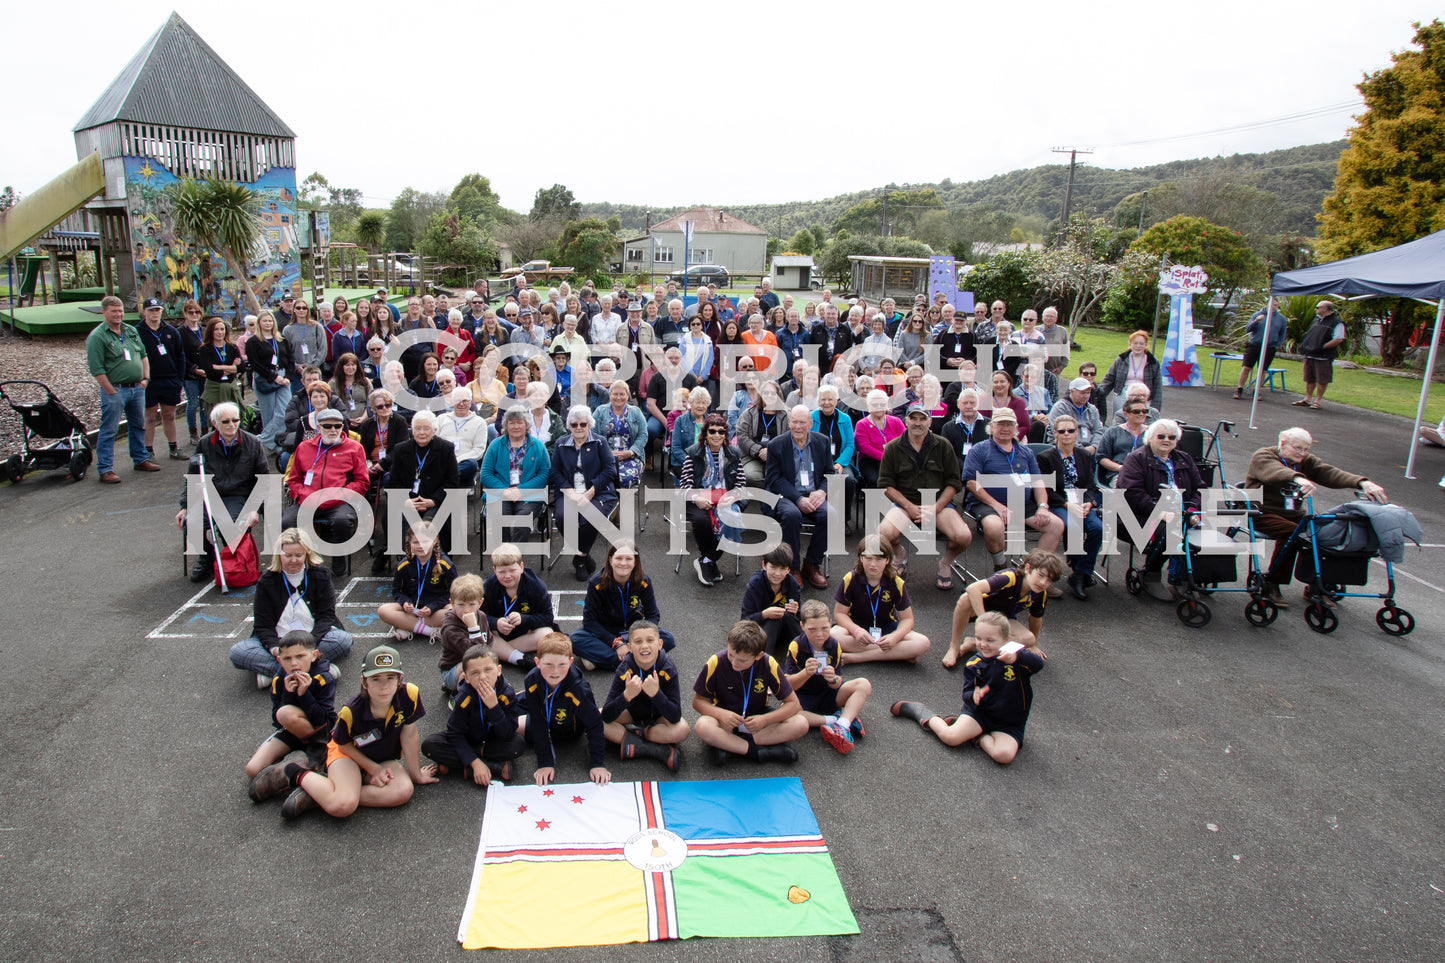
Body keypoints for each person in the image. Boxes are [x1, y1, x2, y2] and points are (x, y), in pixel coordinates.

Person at [249, 645, 438, 819]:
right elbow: (343, 745)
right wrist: (374, 769)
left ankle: (320, 794)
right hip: (347, 755)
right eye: (376, 679)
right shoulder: (351, 711)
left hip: (382, 756)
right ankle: (295, 772)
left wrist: (416, 775)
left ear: (400, 680)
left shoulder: (409, 694)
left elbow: (409, 733)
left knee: (403, 792)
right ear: (364, 682)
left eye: (391, 678)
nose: (384, 686)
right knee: (343, 806)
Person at [1245, 427, 1388, 608]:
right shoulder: (1264, 456)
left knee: (1323, 533)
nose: (1303, 453)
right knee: (1294, 533)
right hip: (1259, 512)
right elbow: (1275, 471)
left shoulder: (1305, 461)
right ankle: (1272, 582)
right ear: (1282, 444)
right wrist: (1299, 479)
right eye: (1298, 448)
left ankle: (1317, 584)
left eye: (1306, 449)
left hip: (1293, 514)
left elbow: (1328, 472)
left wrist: (1362, 482)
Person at [892, 611, 1044, 765]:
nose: (983, 644)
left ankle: (979, 737)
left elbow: (1038, 664)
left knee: (1003, 755)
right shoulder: (974, 663)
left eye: (990, 640)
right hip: (980, 714)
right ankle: (923, 713)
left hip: (1009, 722)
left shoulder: (1017, 658)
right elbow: (967, 694)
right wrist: (974, 696)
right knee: (950, 737)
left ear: (1007, 640)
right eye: (978, 638)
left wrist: (1018, 657)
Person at [228, 528, 354, 685]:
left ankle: (278, 674)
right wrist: (276, 650)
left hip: (312, 638)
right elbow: (263, 625)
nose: (293, 560)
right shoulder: (267, 580)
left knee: (342, 640)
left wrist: (309, 645)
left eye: (298, 555)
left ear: (307, 554)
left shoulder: (320, 574)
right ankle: (318, 669)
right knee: (238, 652)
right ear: (279, 555)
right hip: (280, 642)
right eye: (288, 556)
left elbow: (326, 617)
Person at [878, 404, 971, 589]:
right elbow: (886, 486)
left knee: (964, 536)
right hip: (904, 505)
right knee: (883, 535)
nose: (918, 423)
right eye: (913, 418)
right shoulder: (893, 447)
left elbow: (954, 483)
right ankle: (899, 554)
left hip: (939, 505)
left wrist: (935, 508)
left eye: (922, 419)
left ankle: (945, 563)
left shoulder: (943, 445)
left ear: (930, 421)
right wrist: (909, 507)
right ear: (906, 421)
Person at [174, 400, 269, 581]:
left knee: (233, 527)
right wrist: (185, 506)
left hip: (238, 495)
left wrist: (254, 509)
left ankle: (233, 558)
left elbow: (263, 480)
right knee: (190, 523)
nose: (232, 425)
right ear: (215, 424)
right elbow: (193, 477)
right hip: (210, 496)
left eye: (235, 420)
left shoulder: (253, 443)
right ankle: (207, 555)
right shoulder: (204, 443)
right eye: (226, 421)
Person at [693, 619, 807, 767]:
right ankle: (757, 752)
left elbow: (793, 704)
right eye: (731, 655)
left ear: (758, 656)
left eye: (742, 661)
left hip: (757, 718)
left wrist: (765, 720)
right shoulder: (716, 661)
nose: (734, 663)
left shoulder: (768, 663)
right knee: (702, 726)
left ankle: (729, 746)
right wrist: (722, 714)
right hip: (725, 720)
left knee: (801, 723)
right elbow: (697, 702)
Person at [962, 408, 1065, 571]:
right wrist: (997, 506)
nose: (1005, 428)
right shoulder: (979, 450)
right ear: (992, 426)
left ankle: (1033, 571)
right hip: (988, 504)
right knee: (994, 527)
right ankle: (1001, 567)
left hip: (1021, 504)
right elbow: (971, 483)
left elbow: (1038, 483)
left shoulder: (1026, 452)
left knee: (1056, 525)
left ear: (1016, 427)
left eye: (1009, 424)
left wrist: (1043, 507)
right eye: (1001, 424)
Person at [422, 643, 527, 787]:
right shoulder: (465, 697)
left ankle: (459, 766)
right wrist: (475, 763)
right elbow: (454, 733)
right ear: (466, 677)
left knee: (517, 745)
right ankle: (491, 766)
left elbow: (507, 733)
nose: (482, 677)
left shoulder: (506, 694)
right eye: (475, 673)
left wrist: (494, 708)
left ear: (499, 670)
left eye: (488, 670)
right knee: (429, 745)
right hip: (469, 739)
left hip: (494, 742)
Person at [1117, 419, 1207, 586]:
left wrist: (1192, 510)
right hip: (1139, 514)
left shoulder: (1184, 459)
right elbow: (1132, 494)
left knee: (1202, 533)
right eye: (1161, 436)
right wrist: (1160, 512)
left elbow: (1200, 489)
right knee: (1171, 530)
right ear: (1150, 437)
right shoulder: (1136, 459)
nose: (1167, 440)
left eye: (1172, 437)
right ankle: (1151, 573)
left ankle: (1184, 575)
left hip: (1182, 513)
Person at [281, 407, 370, 574]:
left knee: (342, 521)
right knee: (287, 522)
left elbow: (362, 481)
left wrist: (339, 495)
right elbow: (293, 480)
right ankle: (298, 559)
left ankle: (338, 557)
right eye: (327, 426)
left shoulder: (354, 448)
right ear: (319, 427)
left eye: (337, 426)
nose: (333, 430)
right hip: (308, 499)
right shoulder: (303, 447)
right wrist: (304, 495)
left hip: (338, 501)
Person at [944, 548, 1064, 669]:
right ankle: (954, 647)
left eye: (1049, 580)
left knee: (1029, 640)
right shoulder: (1010, 577)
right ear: (1028, 569)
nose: (1043, 583)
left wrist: (1033, 646)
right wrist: (983, 619)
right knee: (965, 598)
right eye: (1041, 575)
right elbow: (973, 589)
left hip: (1002, 618)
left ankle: (974, 643)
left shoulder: (1040, 594)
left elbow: (1036, 619)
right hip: (978, 610)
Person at [242, 629, 337, 780]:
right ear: (279, 660)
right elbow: (276, 720)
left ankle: (317, 748)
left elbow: (323, 719)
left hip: (318, 731)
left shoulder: (322, 678)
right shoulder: (279, 680)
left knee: (285, 713)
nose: (294, 663)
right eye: (287, 658)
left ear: (314, 656)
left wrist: (304, 694)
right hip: (291, 730)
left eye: (300, 656)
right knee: (252, 770)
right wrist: (288, 693)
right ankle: (293, 760)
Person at [783, 599, 872, 755]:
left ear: (831, 624)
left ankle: (843, 725)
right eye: (812, 629)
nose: (819, 634)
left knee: (863, 684)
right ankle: (835, 720)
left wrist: (832, 679)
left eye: (825, 628)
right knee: (786, 711)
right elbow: (787, 684)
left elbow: (837, 683)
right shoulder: (796, 646)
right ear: (802, 626)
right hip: (804, 696)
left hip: (828, 693)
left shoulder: (834, 645)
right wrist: (805, 673)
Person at [572, 539, 676, 671]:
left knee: (668, 639)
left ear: (635, 562)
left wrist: (638, 637)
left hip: (633, 631)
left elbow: (652, 614)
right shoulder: (597, 583)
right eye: (619, 558)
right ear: (610, 560)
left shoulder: (643, 581)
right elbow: (589, 621)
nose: (623, 563)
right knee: (575, 640)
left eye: (628, 559)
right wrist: (616, 643)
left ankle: (603, 659)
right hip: (606, 632)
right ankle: (638, 659)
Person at [523, 632, 611, 786]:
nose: (555, 671)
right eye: (548, 664)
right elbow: (537, 720)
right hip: (545, 717)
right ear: (537, 662)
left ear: (571, 662)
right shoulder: (531, 680)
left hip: (568, 731)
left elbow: (594, 724)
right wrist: (545, 762)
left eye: (561, 665)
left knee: (595, 715)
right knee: (511, 721)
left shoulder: (578, 690)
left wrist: (597, 764)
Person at [601, 620, 688, 772]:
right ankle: (653, 747)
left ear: (660, 644)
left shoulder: (668, 669)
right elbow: (607, 715)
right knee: (596, 717)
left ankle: (637, 737)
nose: (645, 646)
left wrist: (656, 694)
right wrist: (626, 696)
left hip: (659, 717)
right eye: (638, 641)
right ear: (629, 647)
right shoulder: (624, 669)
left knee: (683, 730)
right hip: (632, 714)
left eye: (650, 640)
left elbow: (674, 716)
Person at [830, 534, 931, 664]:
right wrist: (857, 631)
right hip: (857, 627)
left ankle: (857, 657)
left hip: (887, 627)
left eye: (879, 559)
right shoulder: (850, 579)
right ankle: (897, 654)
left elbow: (907, 619)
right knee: (833, 635)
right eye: (868, 558)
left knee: (923, 643)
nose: (873, 564)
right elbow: (839, 614)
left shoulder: (896, 582)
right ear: (861, 558)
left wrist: (895, 637)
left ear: (887, 560)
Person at [87, 295, 156, 482]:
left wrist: (145, 378)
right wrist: (110, 390)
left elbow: (143, 354)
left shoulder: (130, 330)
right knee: (109, 429)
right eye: (114, 311)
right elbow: (96, 368)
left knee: (138, 425)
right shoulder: (97, 336)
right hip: (116, 390)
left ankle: (140, 458)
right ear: (104, 312)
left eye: (120, 311)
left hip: (137, 388)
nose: (118, 315)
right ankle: (105, 469)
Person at [1036, 413, 1104, 600]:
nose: (1067, 434)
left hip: (1082, 501)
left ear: (1076, 434)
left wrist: (1089, 502)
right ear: (1055, 433)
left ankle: (1081, 573)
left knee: (1097, 528)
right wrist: (1067, 505)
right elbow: (1046, 489)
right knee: (1071, 525)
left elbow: (1091, 484)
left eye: (1071, 430)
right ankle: (1077, 568)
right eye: (1062, 431)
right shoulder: (1045, 458)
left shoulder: (1084, 455)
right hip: (1058, 502)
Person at [765, 405, 833, 589]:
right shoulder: (776, 445)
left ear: (810, 424)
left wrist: (822, 491)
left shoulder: (823, 442)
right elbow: (774, 479)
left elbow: (829, 473)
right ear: (789, 423)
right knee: (792, 515)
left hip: (813, 493)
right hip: (785, 495)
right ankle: (793, 567)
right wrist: (797, 499)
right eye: (794, 421)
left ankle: (811, 564)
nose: (797, 426)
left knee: (830, 514)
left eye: (802, 422)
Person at [551, 405, 619, 580]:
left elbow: (610, 470)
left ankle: (580, 559)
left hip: (598, 492)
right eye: (574, 425)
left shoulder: (600, 442)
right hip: (569, 492)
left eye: (583, 424)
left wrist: (590, 493)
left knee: (589, 517)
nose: (579, 428)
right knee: (562, 517)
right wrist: (571, 493)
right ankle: (585, 555)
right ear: (569, 426)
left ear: (590, 424)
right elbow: (555, 473)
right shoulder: (560, 444)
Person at [678, 412, 746, 585]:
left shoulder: (734, 454)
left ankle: (706, 560)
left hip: (726, 500)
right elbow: (685, 485)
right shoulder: (694, 453)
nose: (717, 435)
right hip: (699, 500)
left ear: (725, 435)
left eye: (721, 432)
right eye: (712, 431)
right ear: (705, 434)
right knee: (703, 521)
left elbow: (741, 485)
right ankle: (710, 561)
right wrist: (697, 499)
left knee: (730, 519)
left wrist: (731, 499)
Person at [385, 410, 461, 552]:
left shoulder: (446, 448)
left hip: (435, 500)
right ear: (412, 431)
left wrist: (434, 501)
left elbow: (452, 482)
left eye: (426, 429)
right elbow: (393, 482)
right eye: (417, 428)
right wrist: (405, 501)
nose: (421, 432)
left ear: (434, 431)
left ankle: (435, 561)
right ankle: (407, 560)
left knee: (429, 523)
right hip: (409, 500)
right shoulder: (400, 449)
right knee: (402, 520)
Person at [482, 542, 558, 666]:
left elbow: (547, 618)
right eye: (501, 572)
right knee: (479, 634)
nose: (507, 576)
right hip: (498, 635)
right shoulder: (488, 586)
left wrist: (524, 619)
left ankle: (500, 653)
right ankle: (519, 658)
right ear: (494, 570)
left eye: (512, 570)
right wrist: (495, 623)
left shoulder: (536, 585)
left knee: (547, 635)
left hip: (524, 634)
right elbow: (478, 615)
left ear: (521, 567)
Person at [480, 407, 551, 541]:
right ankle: (503, 558)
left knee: (523, 521)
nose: (516, 426)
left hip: (530, 494)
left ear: (526, 424)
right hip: (500, 493)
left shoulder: (538, 446)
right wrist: (504, 491)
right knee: (499, 517)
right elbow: (485, 474)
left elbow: (544, 475)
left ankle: (514, 558)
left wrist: (521, 490)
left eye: (520, 422)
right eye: (512, 423)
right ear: (506, 425)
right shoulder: (496, 445)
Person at [378, 521, 456, 641]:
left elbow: (454, 594)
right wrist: (405, 602)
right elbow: (397, 591)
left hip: (436, 610)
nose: (421, 546)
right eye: (416, 542)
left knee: (455, 611)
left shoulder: (445, 564)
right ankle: (430, 631)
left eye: (425, 542)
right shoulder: (404, 565)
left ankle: (408, 626)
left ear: (435, 541)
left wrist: (432, 607)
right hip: (412, 609)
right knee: (383, 610)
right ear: (409, 543)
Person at [135, 298, 187, 462]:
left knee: (169, 415)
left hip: (170, 379)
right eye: (151, 310)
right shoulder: (137, 332)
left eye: (157, 309)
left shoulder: (171, 330)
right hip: (150, 381)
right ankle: (148, 450)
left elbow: (180, 356)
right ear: (144, 312)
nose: (154, 313)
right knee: (149, 416)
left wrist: (179, 379)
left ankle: (173, 447)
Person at [740, 544, 803, 657]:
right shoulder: (756, 584)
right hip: (760, 633)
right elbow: (744, 620)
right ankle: (763, 661)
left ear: (788, 569)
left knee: (786, 616)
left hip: (785, 631)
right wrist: (764, 614)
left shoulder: (793, 584)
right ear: (764, 565)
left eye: (783, 569)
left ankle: (807, 652)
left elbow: (798, 620)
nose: (777, 574)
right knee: (774, 619)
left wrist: (796, 611)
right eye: (773, 567)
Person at [435, 573, 487, 691]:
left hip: (478, 663)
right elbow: (474, 655)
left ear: (480, 603)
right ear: (452, 603)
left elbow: (489, 644)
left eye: (472, 604)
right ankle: (459, 696)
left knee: (492, 668)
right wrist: (473, 627)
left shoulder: (482, 616)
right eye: (461, 604)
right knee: (470, 667)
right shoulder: (450, 628)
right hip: (454, 670)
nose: (466, 609)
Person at [196, 315, 244, 438]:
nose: (219, 332)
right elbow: (210, 372)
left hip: (230, 388)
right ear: (210, 331)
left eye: (222, 329)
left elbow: (241, 368)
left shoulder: (231, 347)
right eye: (216, 329)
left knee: (234, 420)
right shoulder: (205, 349)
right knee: (217, 421)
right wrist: (231, 368)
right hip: (215, 388)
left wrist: (219, 367)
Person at [593, 380, 647, 489]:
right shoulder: (600, 411)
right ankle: (609, 504)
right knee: (602, 476)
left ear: (627, 396)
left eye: (622, 394)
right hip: (605, 456)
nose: (618, 397)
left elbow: (643, 435)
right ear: (610, 395)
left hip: (631, 456)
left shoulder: (636, 412)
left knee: (626, 479)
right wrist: (605, 453)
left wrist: (631, 452)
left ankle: (621, 505)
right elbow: (593, 434)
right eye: (615, 394)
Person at [1098, 330, 1164, 419]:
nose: (1138, 346)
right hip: (1123, 395)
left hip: (1143, 396)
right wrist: (1098, 396)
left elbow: (1158, 386)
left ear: (1146, 345)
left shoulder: (1153, 362)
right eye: (1135, 343)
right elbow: (1109, 379)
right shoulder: (1121, 359)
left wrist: (1156, 407)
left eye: (1141, 343)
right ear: (1130, 344)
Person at [1297, 300, 1348, 410]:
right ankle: (1308, 398)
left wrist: (1323, 347)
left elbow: (1338, 339)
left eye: (1318, 307)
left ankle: (1318, 400)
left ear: (1326, 309)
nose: (1316, 309)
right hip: (1311, 353)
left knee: (1322, 379)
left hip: (1323, 356)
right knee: (1309, 377)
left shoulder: (1336, 322)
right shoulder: (1317, 320)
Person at [1233, 299, 1288, 400]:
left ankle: (1257, 391)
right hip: (1254, 345)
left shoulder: (1281, 319)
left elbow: (1282, 333)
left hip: (1269, 347)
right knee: (1246, 367)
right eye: (1271, 304)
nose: (1273, 306)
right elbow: (1248, 329)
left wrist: (1278, 344)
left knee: (1262, 370)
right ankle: (1239, 390)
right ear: (1266, 305)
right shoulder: (1257, 315)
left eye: (1275, 305)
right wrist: (1256, 321)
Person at [736, 381, 787, 485]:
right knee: (751, 476)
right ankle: (761, 498)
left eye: (773, 393)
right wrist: (758, 450)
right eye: (766, 393)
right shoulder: (748, 414)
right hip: (752, 456)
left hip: (778, 457)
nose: (769, 396)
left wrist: (771, 451)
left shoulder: (786, 415)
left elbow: (788, 438)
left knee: (774, 477)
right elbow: (742, 436)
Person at [437, 387, 489, 488]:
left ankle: (442, 480)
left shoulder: (479, 422)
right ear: (451, 402)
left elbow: (478, 450)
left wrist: (457, 459)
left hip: (463, 464)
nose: (461, 404)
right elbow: (434, 443)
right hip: (442, 461)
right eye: (457, 401)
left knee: (471, 464)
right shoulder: (441, 419)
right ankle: (447, 482)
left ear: (470, 403)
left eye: (465, 401)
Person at [854, 388, 905, 488]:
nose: (878, 407)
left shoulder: (896, 421)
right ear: (868, 406)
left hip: (895, 459)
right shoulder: (862, 424)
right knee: (876, 481)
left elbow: (905, 440)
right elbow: (865, 448)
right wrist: (886, 458)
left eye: (882, 404)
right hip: (871, 461)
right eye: (875, 405)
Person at [1096, 396, 1152, 486]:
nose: (1141, 414)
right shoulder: (1113, 432)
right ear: (1126, 414)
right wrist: (1121, 468)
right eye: (1136, 411)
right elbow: (1101, 458)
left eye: (1144, 411)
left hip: (1146, 474)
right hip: (1120, 474)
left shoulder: (1152, 433)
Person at [176, 299, 208, 442]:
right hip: (190, 373)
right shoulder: (180, 332)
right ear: (185, 314)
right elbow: (179, 354)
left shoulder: (203, 330)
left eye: (197, 312)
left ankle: (205, 430)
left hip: (205, 372)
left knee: (204, 402)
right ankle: (193, 432)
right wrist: (194, 369)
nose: (194, 314)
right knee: (193, 402)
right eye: (191, 312)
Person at [1045, 377, 1105, 450]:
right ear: (1072, 392)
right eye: (1082, 393)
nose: (1086, 396)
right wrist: (1082, 451)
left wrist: (1094, 447)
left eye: (1088, 393)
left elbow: (1098, 431)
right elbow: (1060, 434)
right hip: (1066, 449)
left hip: (1091, 448)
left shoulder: (1092, 409)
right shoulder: (1060, 408)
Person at [942, 388, 989, 474]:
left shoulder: (989, 425)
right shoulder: (948, 428)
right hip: (957, 472)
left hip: (984, 471)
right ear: (958, 404)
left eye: (972, 403)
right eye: (965, 403)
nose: (968, 406)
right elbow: (948, 455)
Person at [669, 386, 712, 476]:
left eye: (704, 403)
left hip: (706, 461)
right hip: (684, 462)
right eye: (697, 402)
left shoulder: (711, 421)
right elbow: (676, 448)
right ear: (691, 403)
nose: (701, 406)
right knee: (697, 475)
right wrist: (691, 463)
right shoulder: (680, 421)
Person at [330, 352, 372, 429]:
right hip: (341, 424)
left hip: (364, 423)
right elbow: (331, 404)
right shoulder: (333, 383)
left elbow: (370, 402)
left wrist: (363, 418)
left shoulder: (365, 382)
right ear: (341, 367)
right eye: (347, 365)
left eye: (353, 365)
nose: (350, 368)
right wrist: (345, 419)